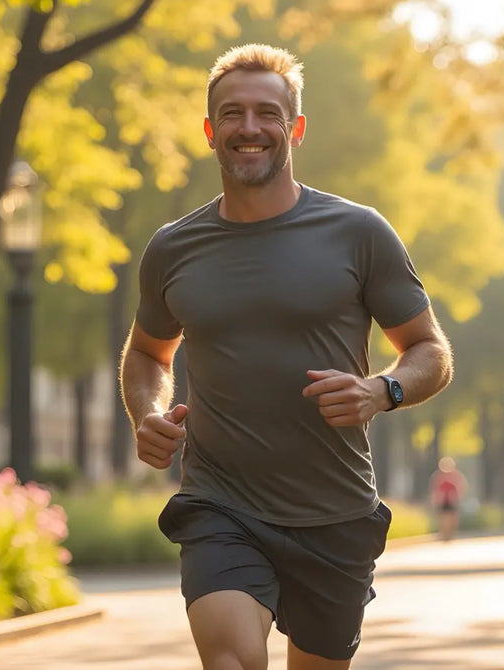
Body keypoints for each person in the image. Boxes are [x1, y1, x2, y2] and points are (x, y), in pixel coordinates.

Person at [120, 43, 454, 670]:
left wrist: (382, 390)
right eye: (232, 113)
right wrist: (148, 413)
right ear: (210, 130)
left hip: (334, 513)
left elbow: (429, 349)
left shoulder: (358, 232)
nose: (249, 127)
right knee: (232, 659)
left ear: (295, 128)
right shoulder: (173, 247)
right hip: (220, 503)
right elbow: (146, 353)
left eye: (267, 114)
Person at [429, 457, 467, 542]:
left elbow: (460, 487)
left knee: (452, 517)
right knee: (443, 517)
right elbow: (435, 489)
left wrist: (458, 497)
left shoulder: (456, 476)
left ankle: (450, 533)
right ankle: (444, 533)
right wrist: (436, 499)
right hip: (442, 500)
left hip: (452, 500)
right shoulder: (438, 476)